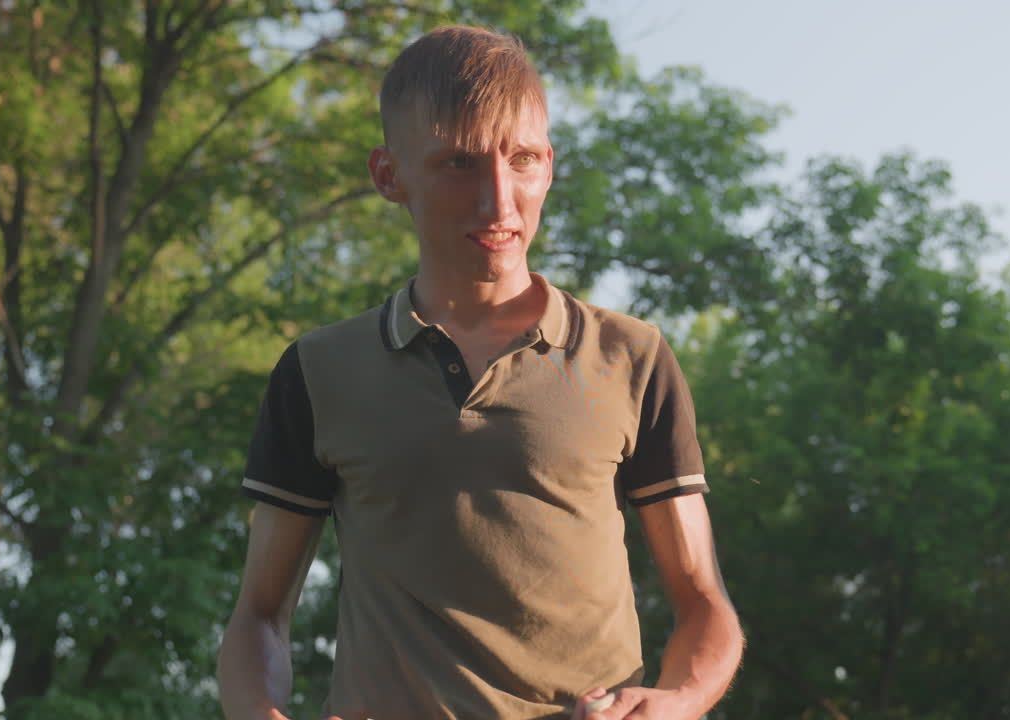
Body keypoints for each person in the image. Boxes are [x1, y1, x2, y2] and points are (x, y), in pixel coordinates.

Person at [216, 25, 744, 720]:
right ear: (388, 175)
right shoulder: (319, 371)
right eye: (459, 164)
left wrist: (677, 703)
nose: (500, 202)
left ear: (549, 165)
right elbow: (258, 616)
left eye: (522, 160)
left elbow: (705, 605)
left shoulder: (631, 358)